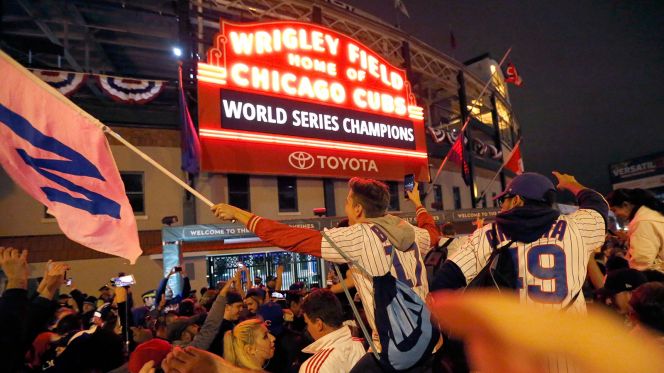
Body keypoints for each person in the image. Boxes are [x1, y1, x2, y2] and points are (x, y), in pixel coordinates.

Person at [212, 177, 440, 370]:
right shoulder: (409, 231)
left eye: (348, 202)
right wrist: (418, 204)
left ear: (359, 209)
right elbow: (433, 235)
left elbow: (290, 238)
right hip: (430, 342)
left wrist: (238, 214)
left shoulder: (358, 236)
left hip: (398, 351)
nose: (346, 208)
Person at [432, 172, 608, 314]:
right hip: (568, 346)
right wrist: (572, 184)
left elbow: (445, 280)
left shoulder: (488, 234)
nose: (501, 206)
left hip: (515, 345)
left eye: (504, 200)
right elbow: (598, 205)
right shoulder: (576, 227)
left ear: (517, 200)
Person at [298, 289, 365, 373]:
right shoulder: (363, 346)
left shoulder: (313, 368)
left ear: (319, 324)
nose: (307, 328)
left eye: (307, 323)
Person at [606, 188, 664, 272]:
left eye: (614, 210)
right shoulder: (651, 215)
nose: (616, 215)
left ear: (625, 205)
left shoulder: (642, 222)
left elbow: (642, 262)